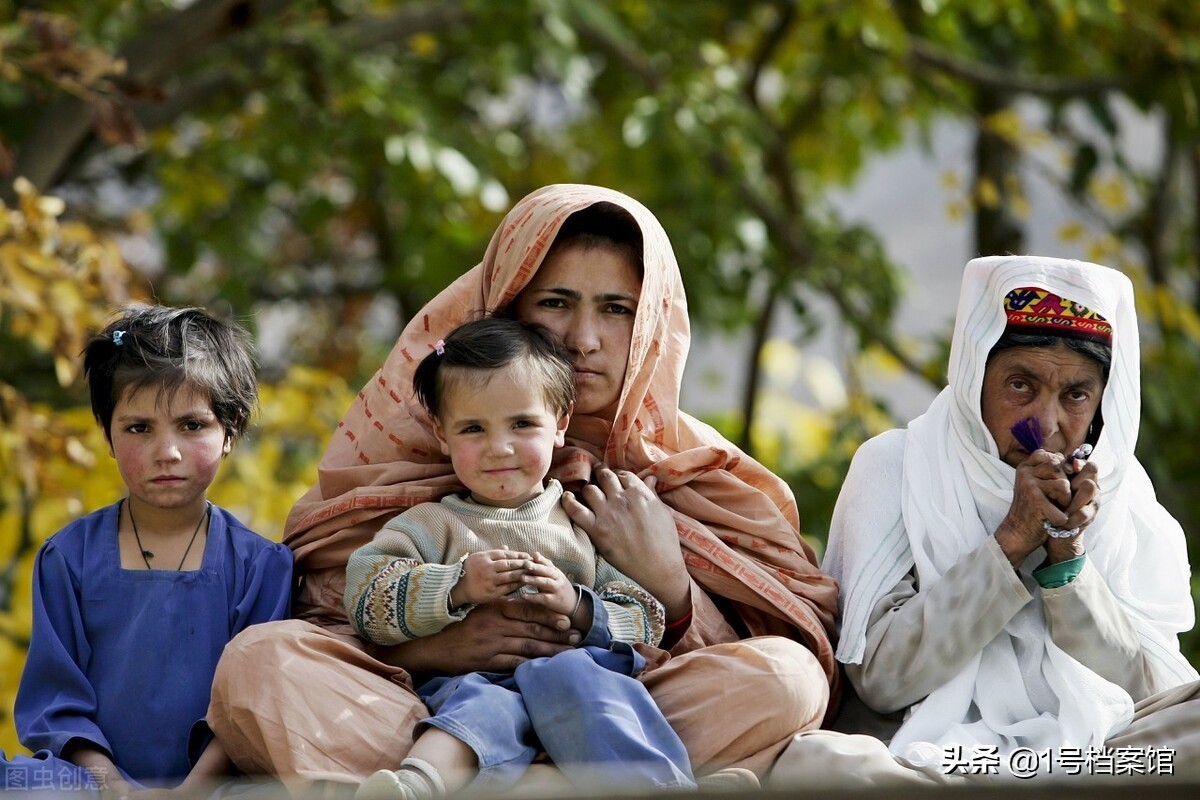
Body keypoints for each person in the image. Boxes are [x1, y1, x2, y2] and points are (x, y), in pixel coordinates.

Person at [208, 184, 839, 788]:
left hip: (624, 713)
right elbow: (331, 606)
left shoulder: (694, 468)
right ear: (508, 303)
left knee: (789, 678)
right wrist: (445, 643)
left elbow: (781, 629)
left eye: (617, 309)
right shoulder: (411, 439)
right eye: (556, 303)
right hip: (433, 720)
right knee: (260, 663)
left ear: (650, 322)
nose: (582, 340)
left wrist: (670, 583)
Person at [802, 255, 1200, 783]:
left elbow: (1150, 693)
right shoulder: (898, 465)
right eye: (1020, 385)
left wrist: (1068, 562)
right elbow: (881, 678)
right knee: (816, 767)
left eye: (1076, 394)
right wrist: (1011, 540)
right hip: (933, 757)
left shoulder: (1127, 503)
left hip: (1090, 758)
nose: (1048, 423)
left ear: (1103, 403)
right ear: (974, 380)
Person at [346, 316, 693, 798]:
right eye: (473, 428)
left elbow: (646, 616)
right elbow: (367, 600)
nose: (500, 447)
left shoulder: (583, 523)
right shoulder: (429, 525)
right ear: (442, 436)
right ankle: (412, 786)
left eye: (523, 423)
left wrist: (577, 604)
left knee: (586, 684)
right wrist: (456, 586)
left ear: (560, 424)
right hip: (477, 684)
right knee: (475, 709)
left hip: (579, 686)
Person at [1, 306, 294, 796]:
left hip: (219, 783)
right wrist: (113, 785)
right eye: (139, 428)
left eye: (192, 425)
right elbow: (56, 701)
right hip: (90, 781)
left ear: (230, 430)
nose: (168, 452)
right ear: (108, 435)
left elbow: (251, 705)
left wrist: (188, 793)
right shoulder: (68, 557)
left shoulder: (261, 566)